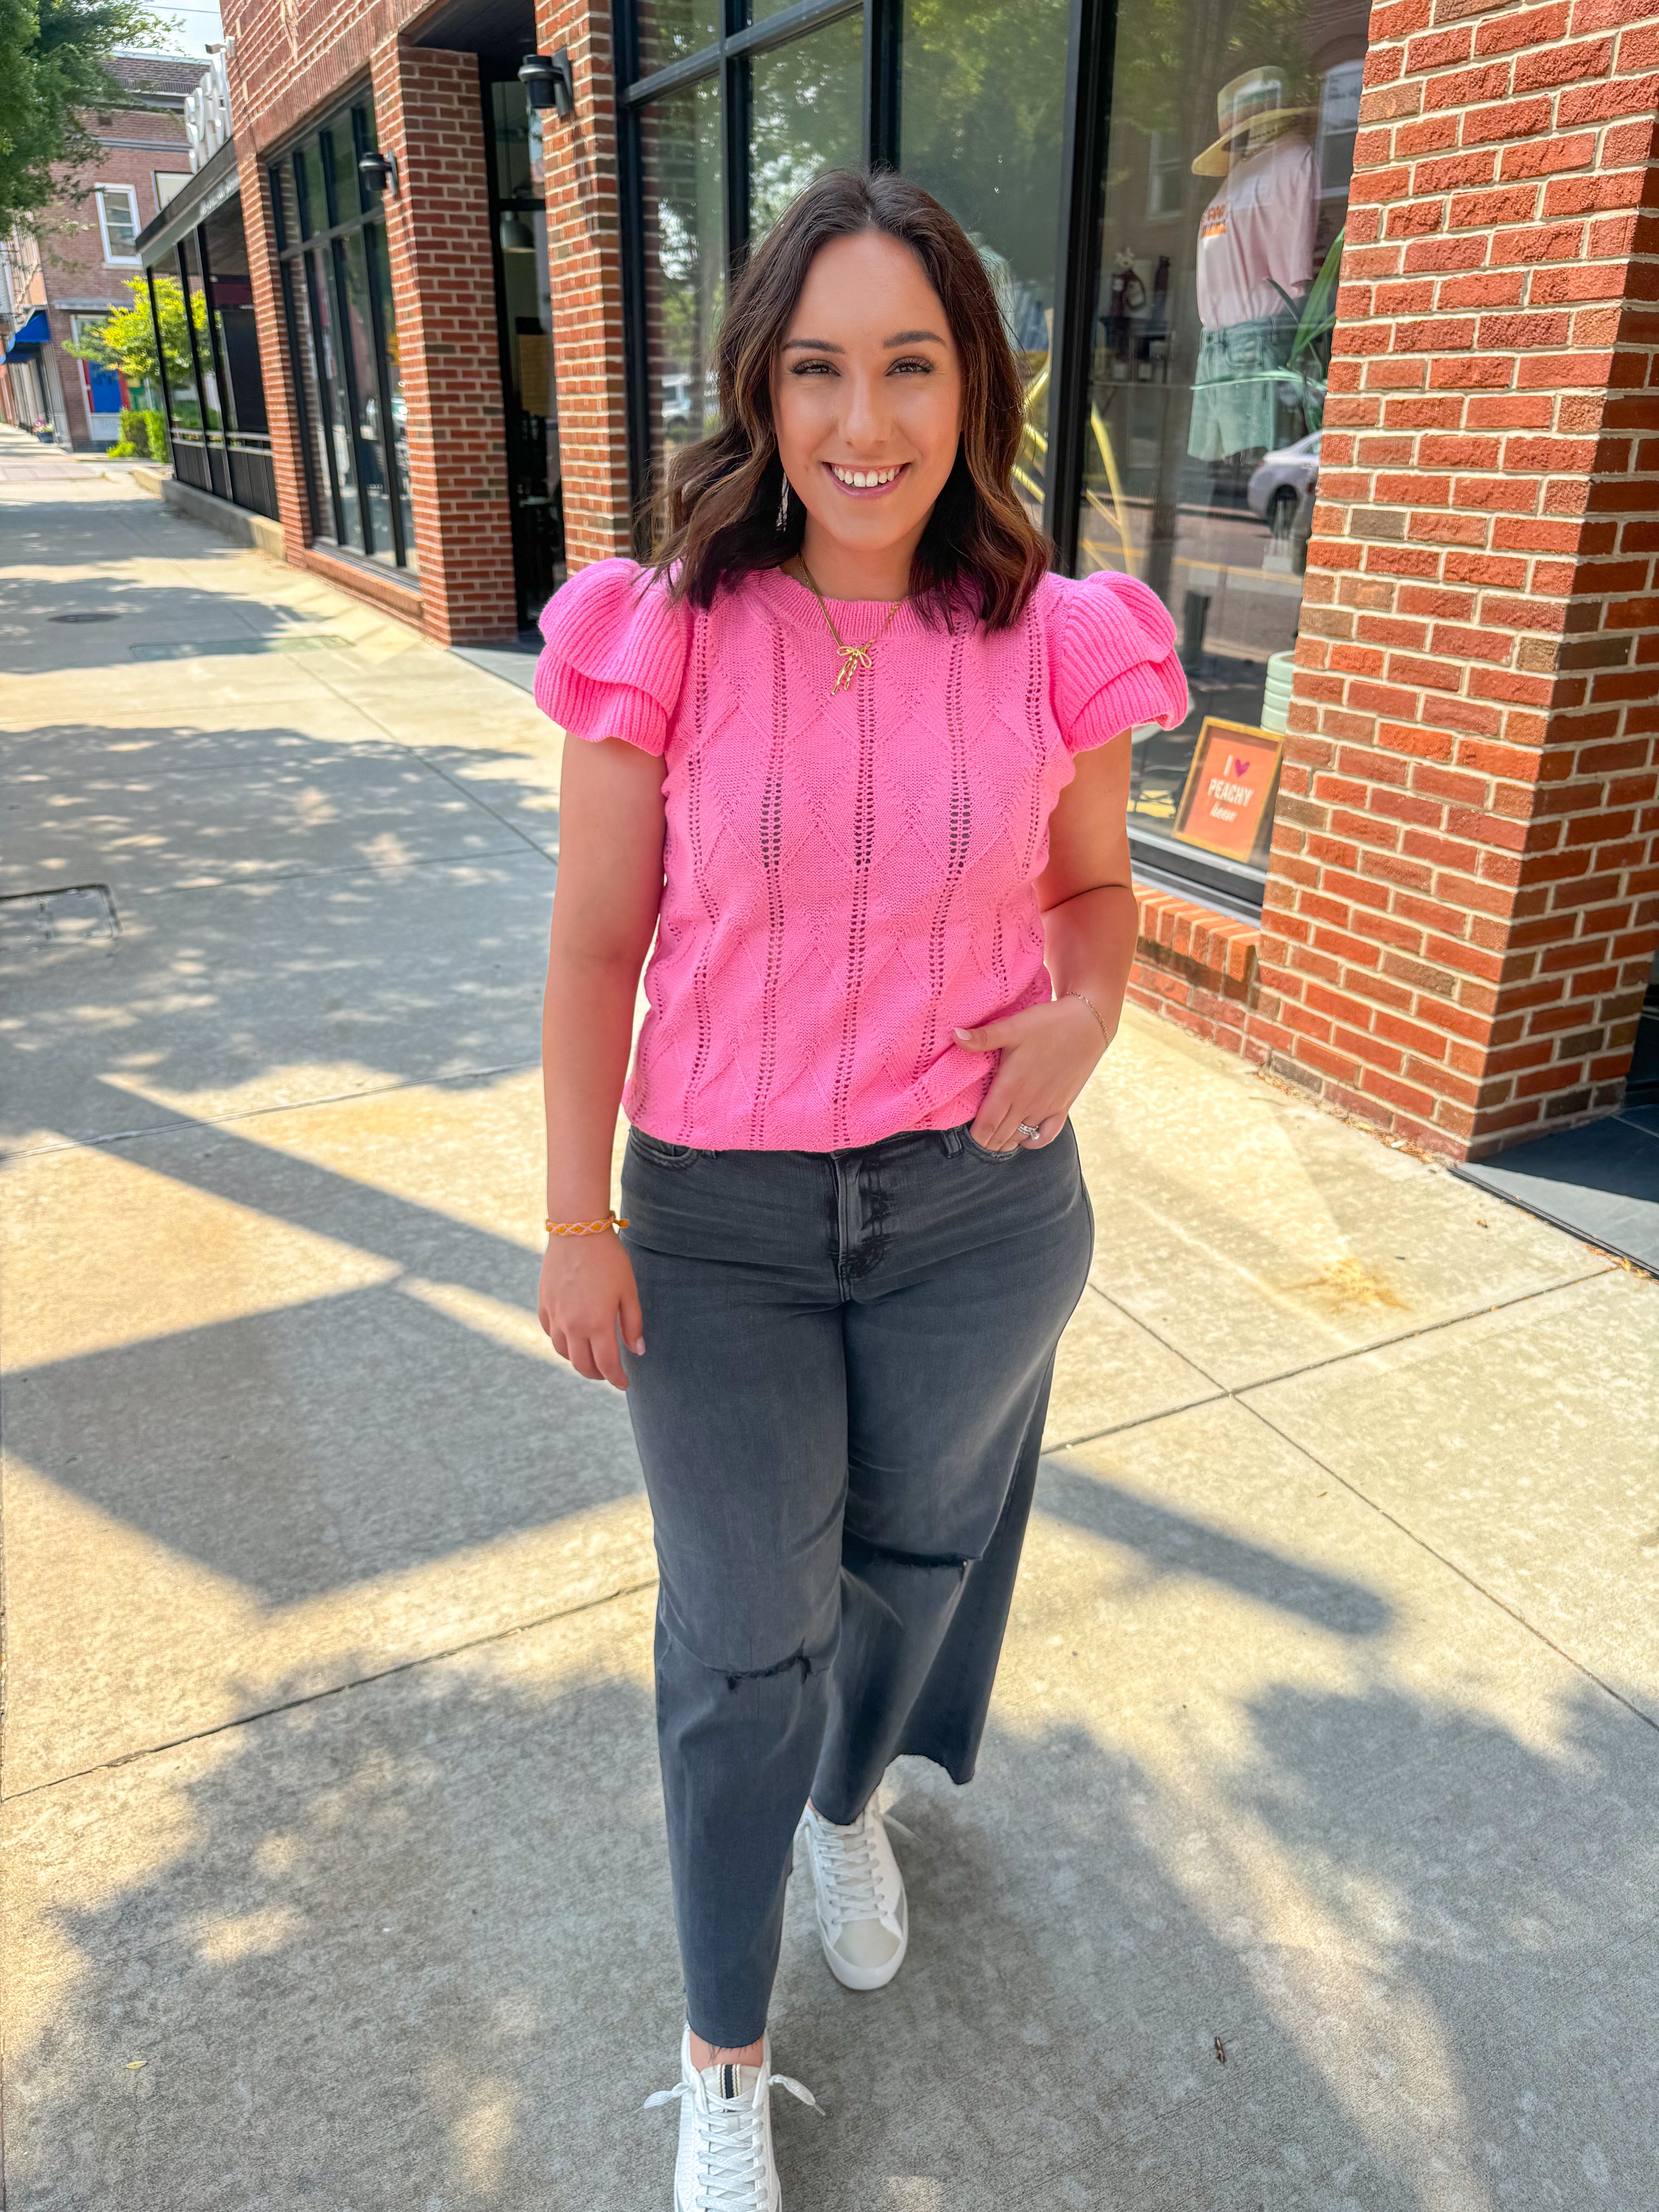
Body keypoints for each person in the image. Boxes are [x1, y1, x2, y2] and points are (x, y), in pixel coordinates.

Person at [533, 167, 1187, 2210]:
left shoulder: (1061, 639)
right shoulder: (664, 637)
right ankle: (724, 2059)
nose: (867, 420)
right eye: (820, 369)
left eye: (911, 364)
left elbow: (1093, 899)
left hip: (980, 1214)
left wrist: (1084, 1016)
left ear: (972, 386)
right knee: (740, 1636)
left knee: (912, 1566)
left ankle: (849, 1805)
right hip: (719, 1228)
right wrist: (577, 1219)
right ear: (763, 391)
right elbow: (592, 949)